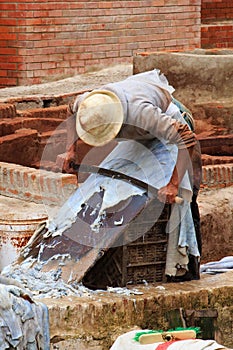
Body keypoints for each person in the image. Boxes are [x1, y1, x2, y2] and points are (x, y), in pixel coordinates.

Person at [62, 69, 202, 281]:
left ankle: (187, 269)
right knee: (114, 184)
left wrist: (173, 184)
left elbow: (185, 138)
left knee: (184, 195)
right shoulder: (88, 103)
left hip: (174, 125)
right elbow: (70, 112)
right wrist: (71, 150)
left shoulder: (142, 114)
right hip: (142, 133)